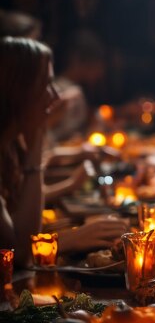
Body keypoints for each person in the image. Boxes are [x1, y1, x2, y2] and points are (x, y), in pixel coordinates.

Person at [0, 37, 126, 268]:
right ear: (17, 89)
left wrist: (36, 137)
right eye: (45, 85)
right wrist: (70, 239)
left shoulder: (10, 149)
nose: (55, 96)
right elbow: (15, 253)